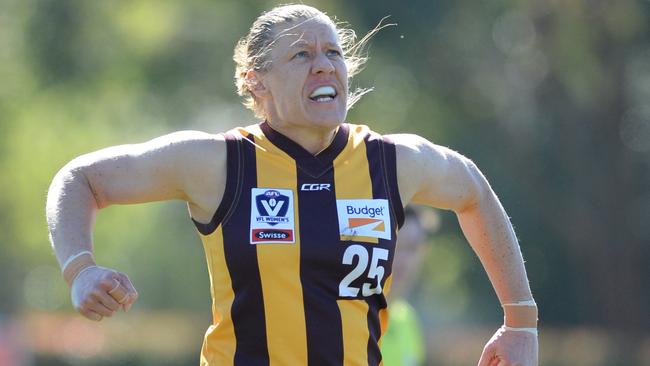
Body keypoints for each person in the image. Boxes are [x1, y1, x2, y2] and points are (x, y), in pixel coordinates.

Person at [46, 4, 538, 366]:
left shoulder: (392, 162)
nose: (324, 65)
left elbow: (474, 190)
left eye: (333, 52)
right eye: (301, 54)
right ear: (255, 82)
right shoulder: (219, 163)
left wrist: (520, 322)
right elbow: (81, 178)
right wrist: (80, 269)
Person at [380, 207, 429, 366]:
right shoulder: (352, 314)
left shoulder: (408, 320)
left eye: (412, 248)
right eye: (396, 245)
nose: (403, 260)